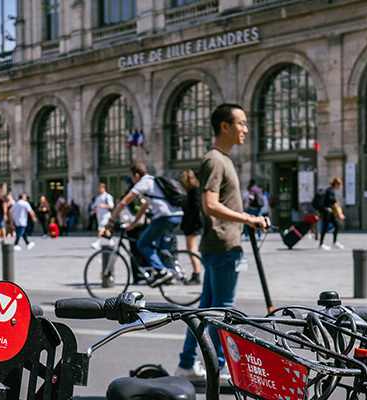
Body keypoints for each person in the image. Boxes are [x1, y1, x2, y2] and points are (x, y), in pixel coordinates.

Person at [176, 103, 270, 381]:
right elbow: (210, 204)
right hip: (223, 245)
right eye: (241, 123)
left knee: (206, 310)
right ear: (224, 126)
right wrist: (247, 219)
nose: (246, 129)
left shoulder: (224, 159)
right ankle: (219, 367)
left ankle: (185, 365)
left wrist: (247, 219)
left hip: (221, 246)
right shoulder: (215, 160)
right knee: (222, 311)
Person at [111, 162, 186, 287]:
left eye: (131, 177)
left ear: (136, 175)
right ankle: (166, 268)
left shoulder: (143, 183)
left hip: (164, 217)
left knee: (142, 243)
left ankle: (162, 271)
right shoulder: (153, 182)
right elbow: (143, 207)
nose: (132, 180)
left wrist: (111, 220)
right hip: (176, 215)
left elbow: (124, 201)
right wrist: (133, 224)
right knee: (155, 244)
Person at [179, 170, 205, 285]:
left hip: (192, 224)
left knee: (192, 250)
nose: (181, 180)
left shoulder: (194, 190)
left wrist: (191, 220)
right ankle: (196, 273)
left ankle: (197, 274)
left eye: (183, 177)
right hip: (190, 224)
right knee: (191, 250)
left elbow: (197, 207)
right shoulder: (191, 190)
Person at [317, 178, 346, 250]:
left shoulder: (328, 190)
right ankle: (321, 244)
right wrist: (340, 214)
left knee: (335, 226)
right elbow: (334, 203)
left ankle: (334, 242)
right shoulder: (331, 191)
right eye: (339, 185)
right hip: (328, 211)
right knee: (326, 227)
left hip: (329, 211)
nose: (339, 187)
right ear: (336, 184)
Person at [91, 183, 116, 249]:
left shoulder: (107, 196)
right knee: (105, 230)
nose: (99, 190)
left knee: (101, 229)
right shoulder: (98, 197)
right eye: (99, 188)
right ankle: (111, 241)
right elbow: (95, 205)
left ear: (104, 188)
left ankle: (97, 242)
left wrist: (104, 206)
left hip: (105, 215)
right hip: (99, 216)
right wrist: (95, 209)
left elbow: (111, 206)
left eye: (100, 188)